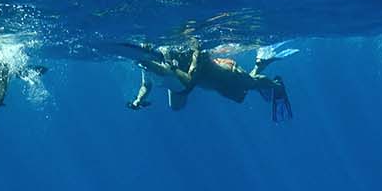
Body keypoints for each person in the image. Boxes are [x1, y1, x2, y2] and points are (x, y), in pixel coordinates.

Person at [124, 42, 293, 120]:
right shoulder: (151, 66)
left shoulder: (173, 54)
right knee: (241, 96)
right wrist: (139, 100)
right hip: (213, 84)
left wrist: (179, 73)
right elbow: (146, 84)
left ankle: (276, 85)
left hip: (225, 72)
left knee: (251, 83)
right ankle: (261, 63)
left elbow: (192, 72)